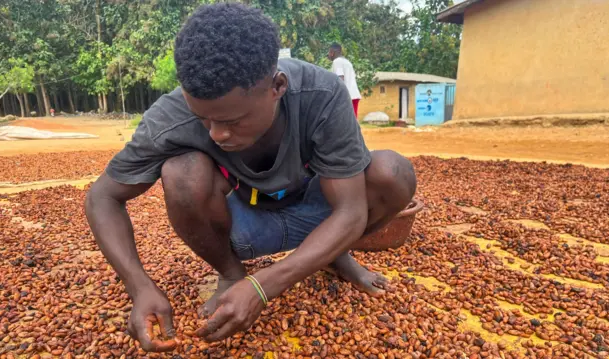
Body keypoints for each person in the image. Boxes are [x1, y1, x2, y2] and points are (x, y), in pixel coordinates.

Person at [85, 3, 417, 353]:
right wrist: (139, 287)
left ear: (277, 86)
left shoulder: (320, 94)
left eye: (233, 120)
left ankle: (335, 255)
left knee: (392, 172)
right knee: (180, 172)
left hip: (321, 210)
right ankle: (230, 273)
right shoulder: (170, 117)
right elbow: (102, 197)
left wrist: (264, 287)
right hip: (243, 223)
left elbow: (350, 211)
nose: (216, 134)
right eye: (203, 118)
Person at [328, 43, 362, 119]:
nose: (328, 55)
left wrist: (337, 97)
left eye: (329, 52)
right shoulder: (347, 62)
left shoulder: (337, 61)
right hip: (354, 95)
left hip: (347, 97)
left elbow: (340, 79)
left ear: (332, 52)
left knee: (345, 123)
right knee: (352, 122)